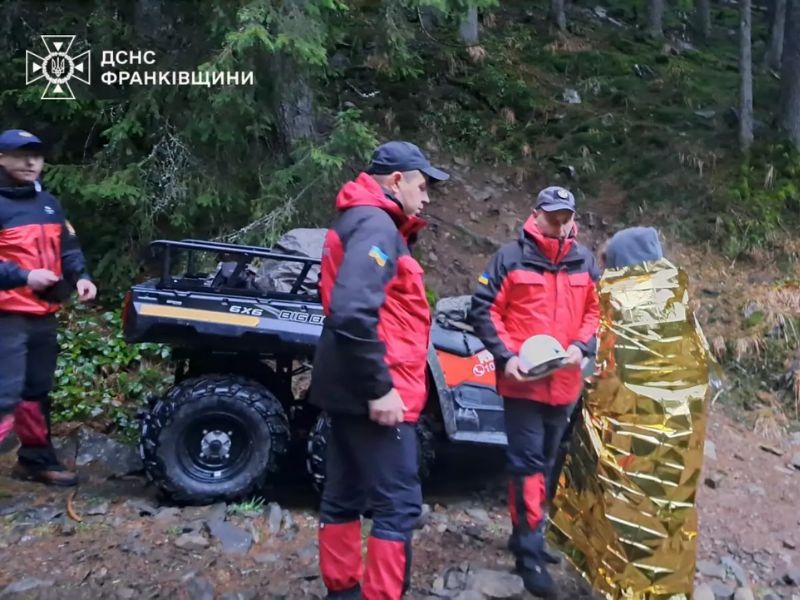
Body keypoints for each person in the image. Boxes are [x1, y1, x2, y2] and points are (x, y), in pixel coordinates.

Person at [309, 141, 449, 599]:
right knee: (398, 506)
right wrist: (380, 387)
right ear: (396, 181)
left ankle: (343, 591)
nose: (426, 198)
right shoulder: (376, 227)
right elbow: (350, 311)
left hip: (343, 384)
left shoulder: (358, 219)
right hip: (376, 392)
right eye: (422, 186)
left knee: (344, 496)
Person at [547, 225, 715, 599]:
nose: (604, 277)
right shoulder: (673, 301)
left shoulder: (633, 309)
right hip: (676, 448)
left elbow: (617, 384)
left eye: (610, 268)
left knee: (630, 523)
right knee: (665, 523)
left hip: (639, 445)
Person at [469, 185, 600, 597]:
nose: (561, 225)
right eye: (553, 216)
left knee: (545, 463)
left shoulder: (584, 260)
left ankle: (524, 534)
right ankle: (528, 552)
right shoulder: (510, 257)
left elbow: (597, 311)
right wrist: (507, 356)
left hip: (564, 384)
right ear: (536, 214)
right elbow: (484, 309)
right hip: (522, 383)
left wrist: (582, 347)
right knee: (526, 464)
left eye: (567, 217)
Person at [0, 128, 96, 486]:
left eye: (37, 155)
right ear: (1, 158)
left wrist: (82, 277)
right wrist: (25, 277)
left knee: (35, 392)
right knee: (3, 396)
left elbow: (68, 248)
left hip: (43, 315)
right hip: (6, 315)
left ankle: (35, 461)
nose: (31, 162)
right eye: (22, 154)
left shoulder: (49, 203)